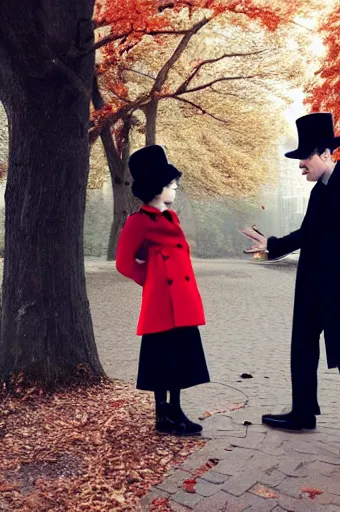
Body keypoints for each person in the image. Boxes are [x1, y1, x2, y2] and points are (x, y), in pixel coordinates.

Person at [241, 113, 340, 460]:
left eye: (304, 157)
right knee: (302, 351)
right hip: (312, 291)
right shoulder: (319, 194)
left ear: (325, 153)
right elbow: (307, 234)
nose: (300, 166)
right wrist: (272, 244)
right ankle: (303, 413)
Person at [116, 145, 210, 436]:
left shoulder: (172, 218)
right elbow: (123, 262)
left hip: (182, 301)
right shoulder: (138, 222)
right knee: (161, 358)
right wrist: (151, 279)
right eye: (171, 185)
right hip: (161, 304)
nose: (175, 188)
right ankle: (163, 415)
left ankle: (176, 411)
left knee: (179, 358)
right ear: (157, 187)